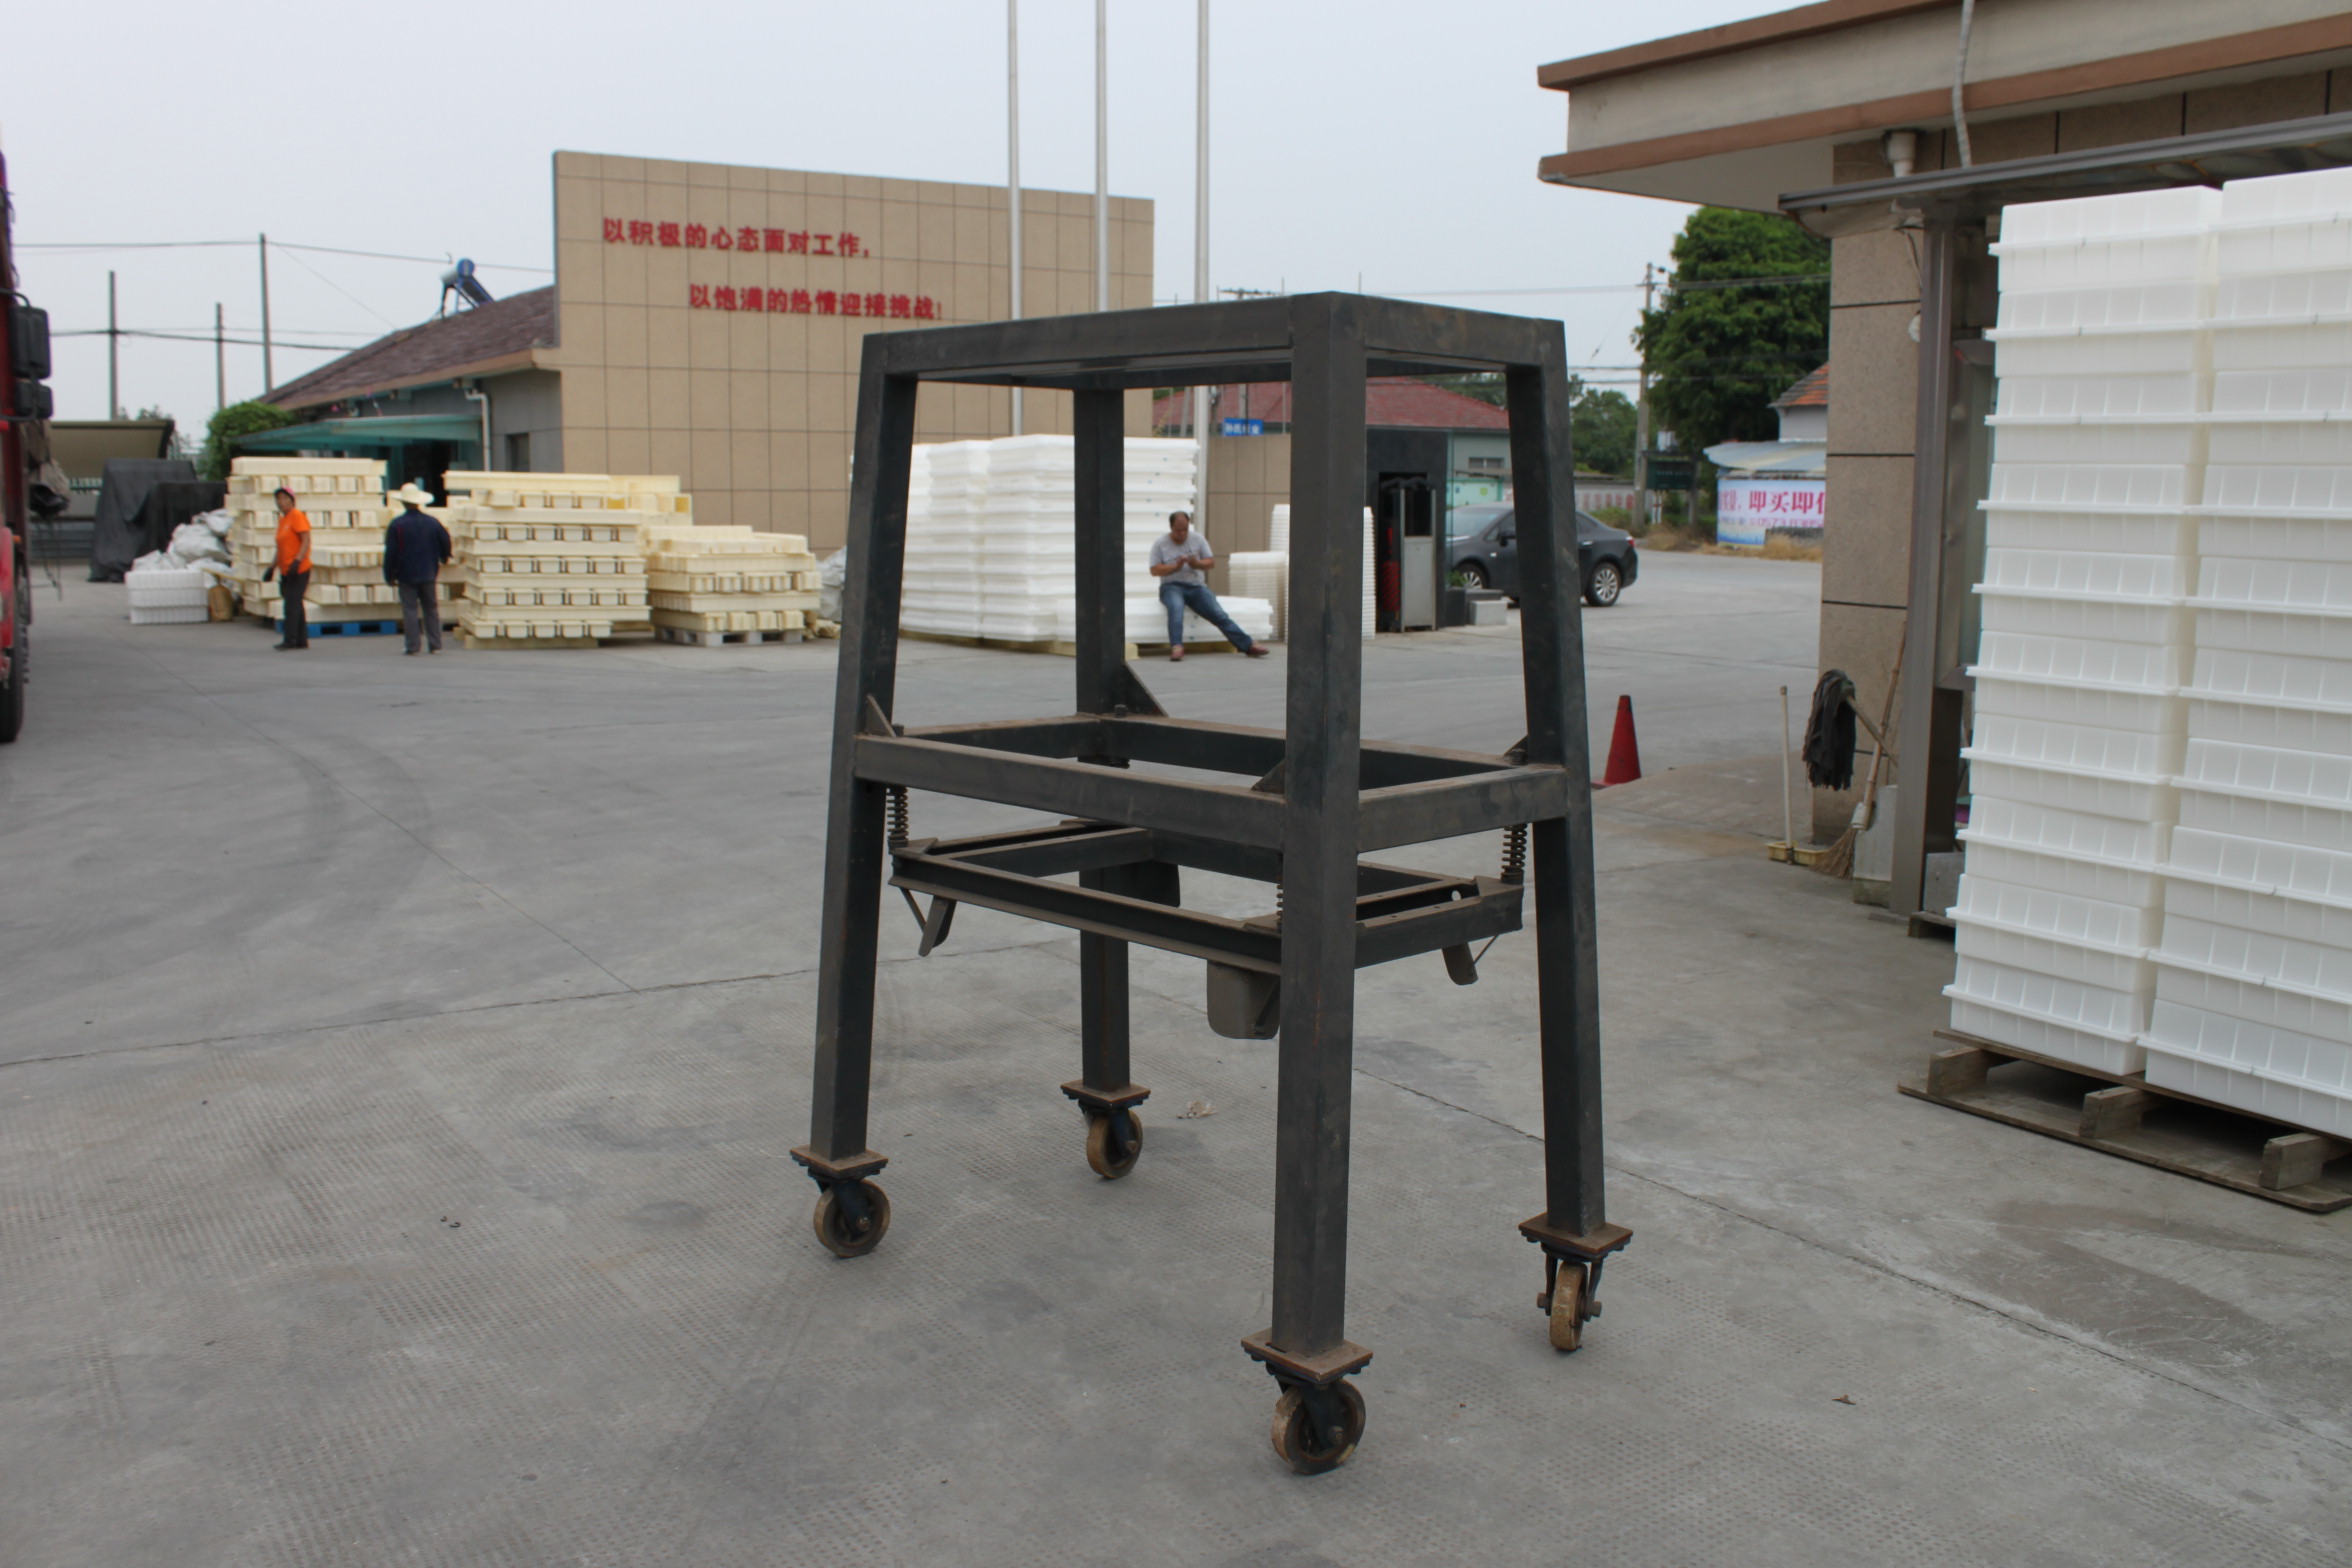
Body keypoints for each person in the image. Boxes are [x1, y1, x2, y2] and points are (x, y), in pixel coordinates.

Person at [1149, 510, 1268, 662]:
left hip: (1196, 586)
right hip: (1171, 586)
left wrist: (1196, 563)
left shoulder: (1198, 539)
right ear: (1171, 528)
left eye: (1185, 529)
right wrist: (1174, 567)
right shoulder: (1160, 544)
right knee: (1176, 609)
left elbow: (1210, 562)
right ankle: (1177, 646)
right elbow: (1154, 570)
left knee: (1218, 613)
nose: (1182, 534)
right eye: (1178, 530)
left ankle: (1248, 645)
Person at [382, 482, 452, 655]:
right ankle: (435, 644)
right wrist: (444, 557)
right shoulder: (433, 522)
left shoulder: (397, 525)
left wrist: (389, 574)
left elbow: (391, 552)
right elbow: (445, 541)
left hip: (405, 572)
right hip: (429, 570)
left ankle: (412, 646)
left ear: (403, 502)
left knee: (410, 609)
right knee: (431, 608)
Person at [260, 486, 311, 649]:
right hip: (285, 569)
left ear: (292, 500)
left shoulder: (297, 516)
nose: (281, 502)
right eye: (278, 499)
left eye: (284, 498)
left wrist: (297, 561)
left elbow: (306, 539)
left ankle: (290, 640)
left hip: (299, 569)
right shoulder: (283, 520)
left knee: (291, 605)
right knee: (296, 604)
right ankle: (301, 640)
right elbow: (281, 548)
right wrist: (271, 568)